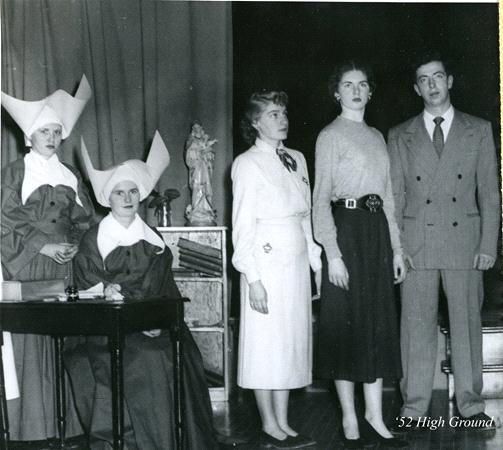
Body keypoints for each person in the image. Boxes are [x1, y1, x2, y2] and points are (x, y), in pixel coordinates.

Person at [63, 131, 218, 449]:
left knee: (183, 352)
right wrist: (117, 301)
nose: (127, 197)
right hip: (109, 327)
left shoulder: (155, 239)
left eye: (133, 191)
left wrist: (157, 321)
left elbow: (166, 290)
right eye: (119, 192)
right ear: (108, 198)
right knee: (150, 358)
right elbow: (89, 288)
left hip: (155, 321)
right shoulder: (94, 240)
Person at [388, 52, 500, 429]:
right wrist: (397, 248)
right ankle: (414, 407)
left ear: (450, 81)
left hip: (465, 243)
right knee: (415, 327)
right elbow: (396, 197)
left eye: (438, 77)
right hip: (416, 243)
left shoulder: (479, 129)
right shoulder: (399, 134)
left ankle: (471, 405)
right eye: (424, 79)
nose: (432, 84)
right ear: (416, 87)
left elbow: (489, 195)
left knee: (466, 325)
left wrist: (488, 245)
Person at [312, 61, 408, 449]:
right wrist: (333, 255)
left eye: (362, 84)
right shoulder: (329, 136)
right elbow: (320, 201)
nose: (355, 90)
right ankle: (350, 421)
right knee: (345, 329)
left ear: (370, 92)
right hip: (346, 232)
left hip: (377, 237)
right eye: (347, 85)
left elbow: (387, 198)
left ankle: (374, 417)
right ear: (337, 93)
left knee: (376, 326)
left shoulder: (377, 136)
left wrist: (397, 249)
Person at [1, 76, 95, 442]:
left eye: (57, 131)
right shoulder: (14, 174)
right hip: (30, 265)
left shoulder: (69, 175)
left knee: (64, 342)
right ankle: (31, 429)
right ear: (29, 136)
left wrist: (71, 242)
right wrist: (42, 246)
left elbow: (85, 218)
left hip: (64, 265)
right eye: (45, 131)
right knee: (32, 340)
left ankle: (66, 426)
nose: (52, 137)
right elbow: (3, 219)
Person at [231, 90, 322, 449]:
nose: (281, 119)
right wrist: (253, 279)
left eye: (283, 112)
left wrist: (315, 263)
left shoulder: (297, 158)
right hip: (265, 264)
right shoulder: (246, 163)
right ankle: (269, 423)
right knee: (266, 345)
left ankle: (283, 421)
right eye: (271, 114)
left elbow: (306, 219)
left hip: (295, 262)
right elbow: (242, 227)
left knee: (289, 344)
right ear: (254, 123)